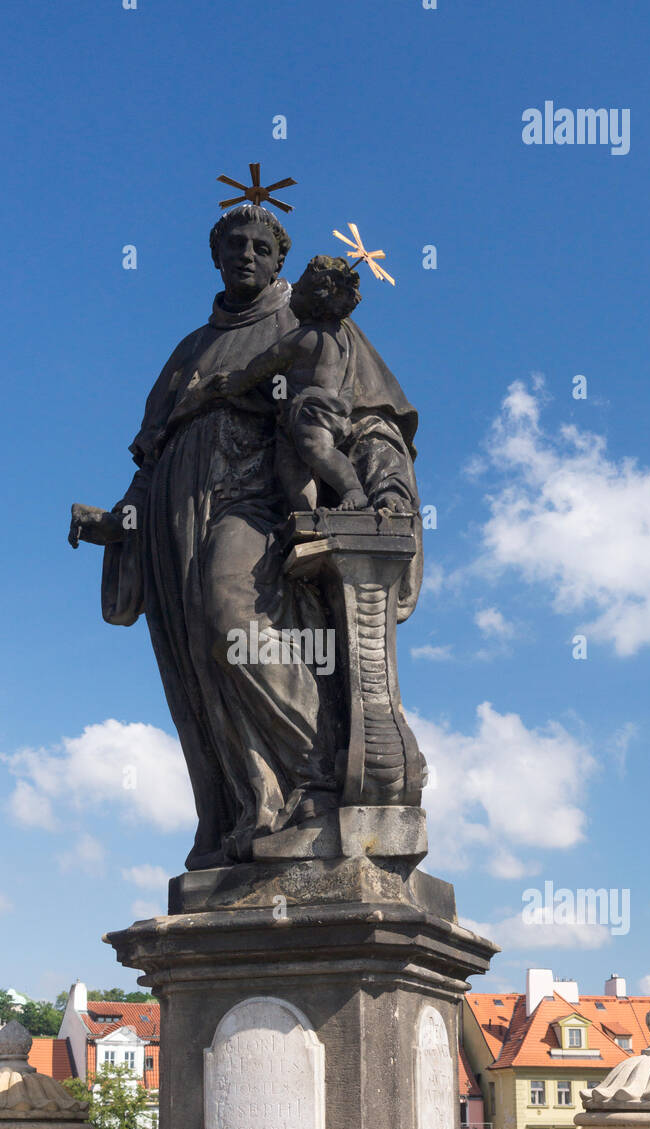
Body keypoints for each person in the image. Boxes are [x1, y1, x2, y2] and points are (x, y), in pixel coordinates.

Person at [94, 204, 422, 869]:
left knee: (230, 621)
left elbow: (371, 422)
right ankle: (251, 812)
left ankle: (313, 786)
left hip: (263, 508)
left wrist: (383, 493)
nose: (246, 254)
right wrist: (118, 520)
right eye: (233, 244)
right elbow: (150, 459)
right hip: (176, 526)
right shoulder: (188, 351)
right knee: (203, 667)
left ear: (280, 259)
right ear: (215, 256)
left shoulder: (312, 323)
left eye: (261, 246)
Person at [182, 256, 372, 512]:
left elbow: (265, 362)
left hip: (314, 411)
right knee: (289, 464)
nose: (293, 289)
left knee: (317, 450)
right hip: (294, 415)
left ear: (317, 304)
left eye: (301, 290)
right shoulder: (339, 337)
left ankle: (352, 490)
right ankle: (308, 513)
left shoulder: (304, 338)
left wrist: (239, 381)